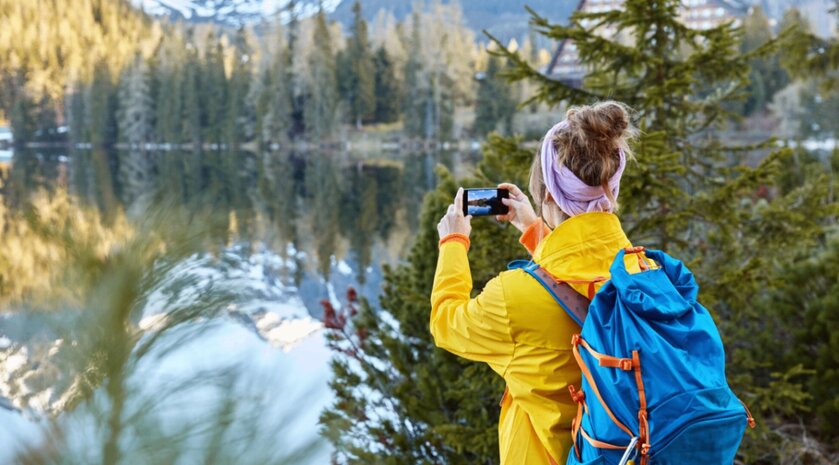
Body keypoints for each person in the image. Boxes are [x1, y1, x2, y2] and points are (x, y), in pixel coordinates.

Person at [430, 101, 655, 465]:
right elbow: (585, 280)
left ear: (548, 193)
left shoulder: (511, 297)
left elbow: (445, 323)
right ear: (611, 186)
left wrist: (454, 243)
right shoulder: (644, 271)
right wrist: (535, 230)